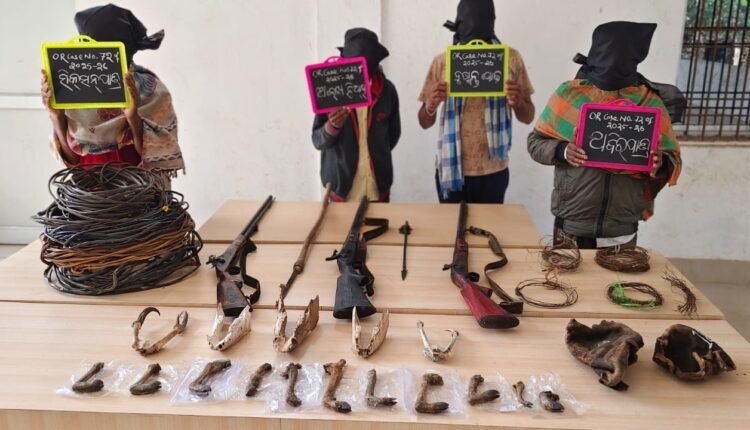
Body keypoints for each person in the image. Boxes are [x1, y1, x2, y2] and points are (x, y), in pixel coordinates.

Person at [528, 21, 682, 249]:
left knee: (618, 274)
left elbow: (671, 157)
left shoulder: (650, 102)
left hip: (622, 226)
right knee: (567, 272)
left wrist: (660, 163)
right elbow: (535, 143)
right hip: (572, 222)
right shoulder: (570, 94)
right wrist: (563, 151)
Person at [41, 4, 185, 177]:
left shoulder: (152, 90)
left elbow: (151, 158)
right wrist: (57, 116)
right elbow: (73, 160)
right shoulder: (77, 88)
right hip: (89, 188)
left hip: (136, 186)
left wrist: (132, 116)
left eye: (92, 43)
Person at [418, 0, 535, 204]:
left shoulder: (510, 59)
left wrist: (518, 103)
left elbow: (528, 117)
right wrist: (430, 105)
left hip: (494, 169)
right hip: (451, 167)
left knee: (489, 224)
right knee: (452, 224)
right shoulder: (443, 62)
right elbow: (424, 122)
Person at [311, 28, 401, 202]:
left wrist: (376, 153)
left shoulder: (387, 91)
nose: (359, 74)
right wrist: (332, 126)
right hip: (340, 193)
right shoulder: (329, 90)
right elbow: (317, 140)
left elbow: (393, 134)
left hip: (378, 191)